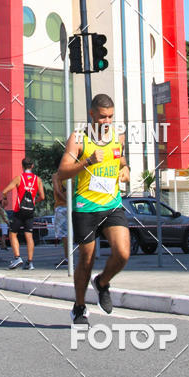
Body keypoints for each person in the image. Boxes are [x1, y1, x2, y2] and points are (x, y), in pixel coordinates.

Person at [58, 93, 130, 325]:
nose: (106, 121)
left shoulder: (118, 136)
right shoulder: (78, 138)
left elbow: (121, 161)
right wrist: (87, 161)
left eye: (110, 116)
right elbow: (62, 172)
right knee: (86, 258)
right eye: (101, 117)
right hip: (86, 206)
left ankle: (102, 283)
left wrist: (126, 169)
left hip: (112, 204)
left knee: (123, 253)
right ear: (91, 114)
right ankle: (79, 307)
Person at [2, 157, 45, 270]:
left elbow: (5, 191)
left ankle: (17, 258)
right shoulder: (38, 179)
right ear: (32, 166)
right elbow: (42, 197)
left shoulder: (19, 178)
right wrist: (33, 202)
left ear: (22, 166)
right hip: (30, 211)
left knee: (13, 233)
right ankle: (30, 262)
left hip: (19, 210)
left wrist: (5, 199)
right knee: (29, 236)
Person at [52, 169, 68, 268]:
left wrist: (66, 200)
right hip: (75, 205)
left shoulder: (56, 175)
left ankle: (67, 258)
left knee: (64, 234)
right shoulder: (74, 174)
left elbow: (57, 190)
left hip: (62, 206)